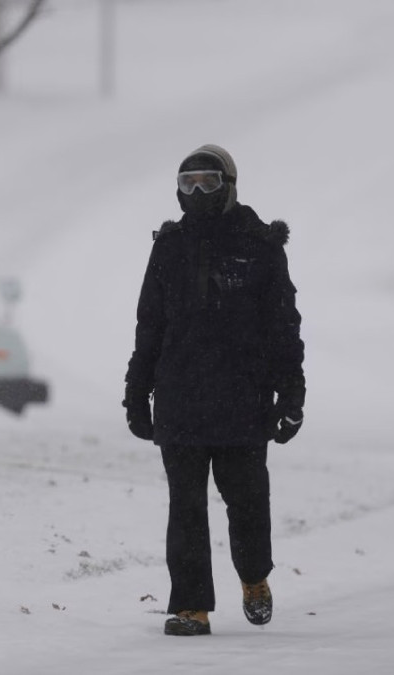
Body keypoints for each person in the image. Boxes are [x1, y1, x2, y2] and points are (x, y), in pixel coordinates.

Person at [123, 144, 305, 637]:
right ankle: (190, 606)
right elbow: (150, 326)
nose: (198, 191)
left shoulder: (260, 244)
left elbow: (283, 327)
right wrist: (136, 392)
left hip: (242, 402)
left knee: (246, 503)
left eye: (207, 181)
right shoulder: (169, 245)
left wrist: (292, 396)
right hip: (179, 400)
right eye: (187, 183)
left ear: (229, 185)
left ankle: (253, 577)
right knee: (186, 507)